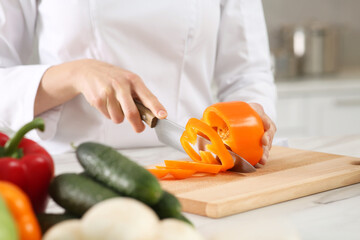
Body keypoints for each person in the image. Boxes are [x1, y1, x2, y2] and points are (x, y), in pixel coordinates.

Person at [0, 0, 276, 165]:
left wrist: (250, 126)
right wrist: (75, 73)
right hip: (73, 170)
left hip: (200, 168)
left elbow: (248, 74)